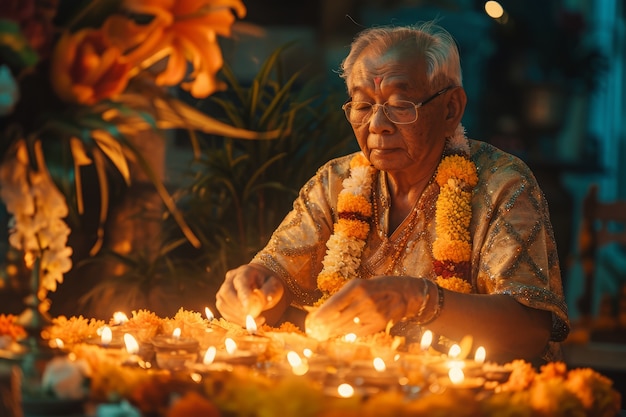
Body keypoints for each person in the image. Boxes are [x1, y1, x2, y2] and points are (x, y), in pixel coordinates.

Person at [215, 21, 570, 364]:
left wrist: (416, 299)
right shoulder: (336, 182)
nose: (377, 125)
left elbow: (530, 329)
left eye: (401, 105)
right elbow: (276, 287)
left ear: (451, 109)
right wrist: (256, 288)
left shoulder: (503, 184)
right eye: (363, 105)